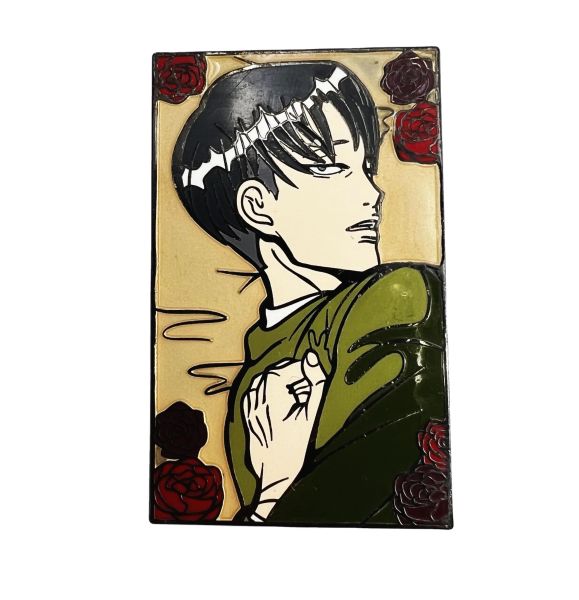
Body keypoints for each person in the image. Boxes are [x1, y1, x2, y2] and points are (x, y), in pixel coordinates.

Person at [172, 61, 447, 525]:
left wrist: (272, 497)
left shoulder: (400, 298)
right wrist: (272, 497)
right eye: (332, 168)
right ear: (257, 206)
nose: (372, 194)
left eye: (365, 167)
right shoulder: (257, 379)